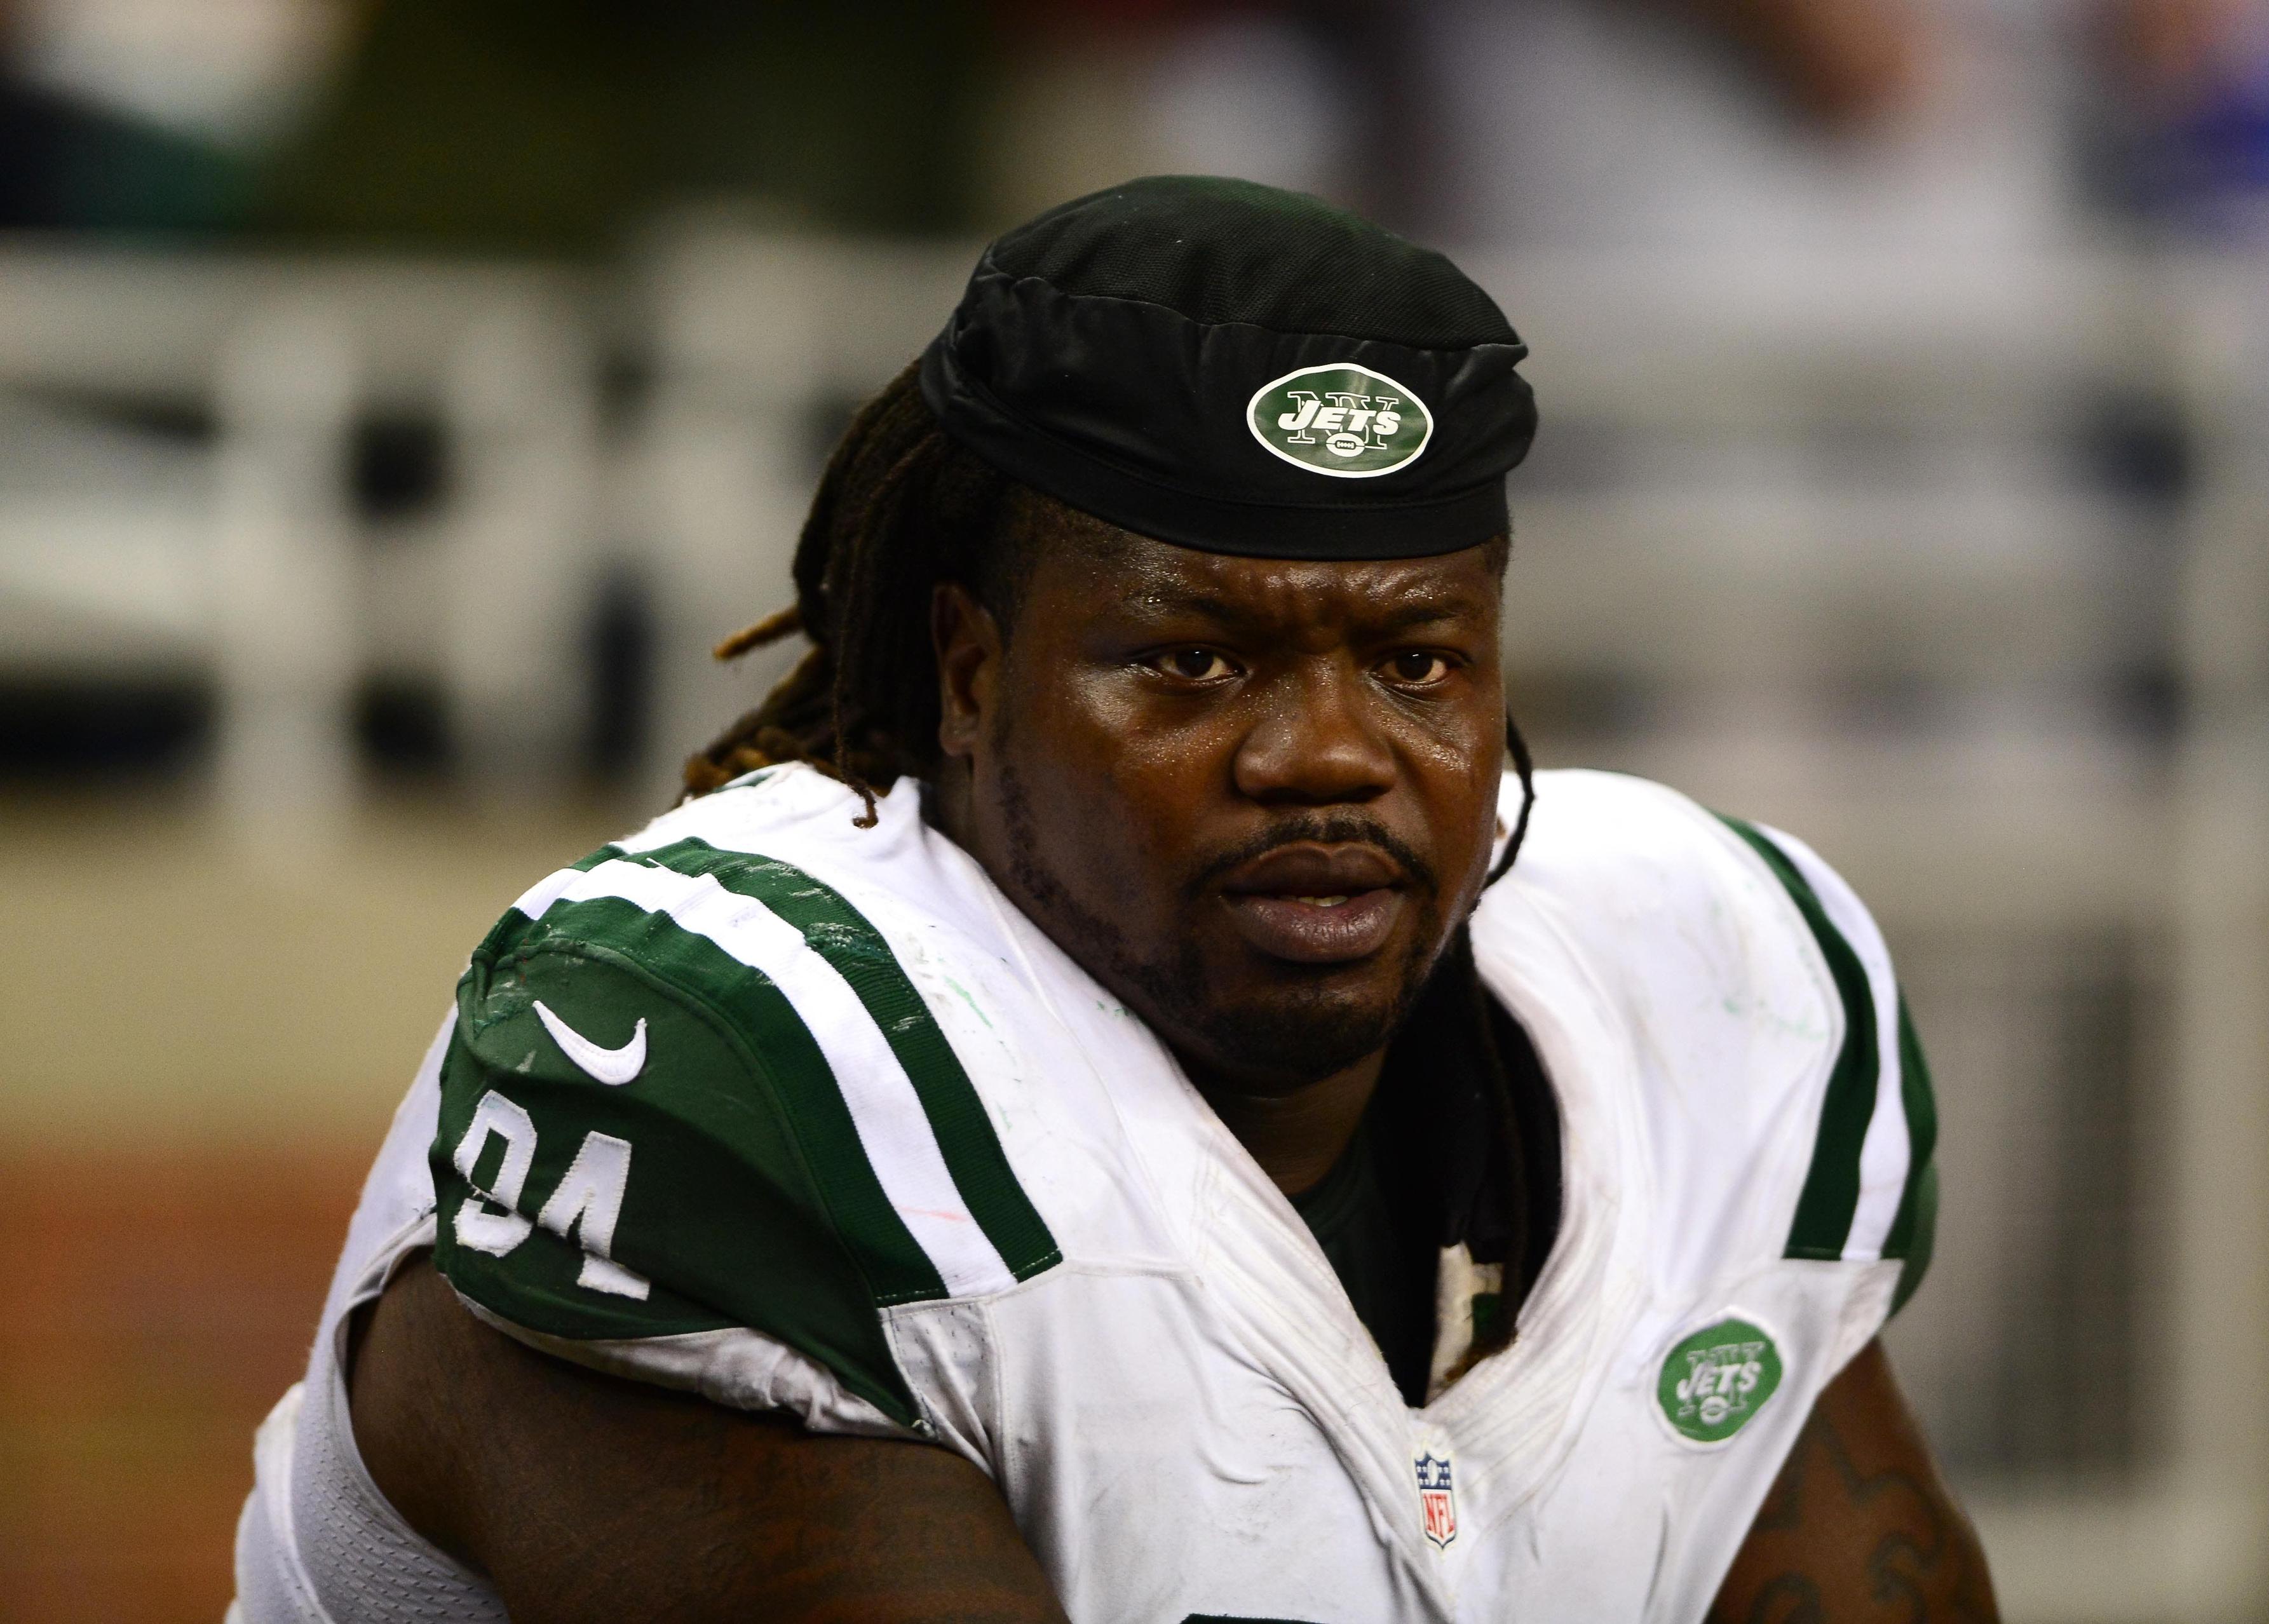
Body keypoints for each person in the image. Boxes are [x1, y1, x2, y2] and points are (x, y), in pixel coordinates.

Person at [231, 175, 1993, 1623]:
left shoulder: (1716, 980)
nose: (1325, 754)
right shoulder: (749, 1048)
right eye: (1194, 657)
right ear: (971, 670)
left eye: (1416, 660)